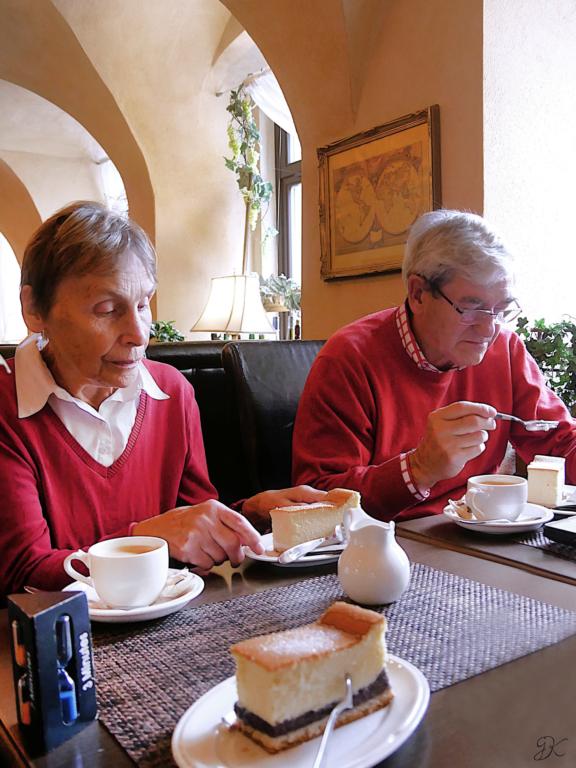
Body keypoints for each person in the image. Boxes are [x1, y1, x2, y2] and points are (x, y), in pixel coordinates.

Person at [0, 201, 325, 597]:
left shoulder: (172, 392)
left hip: (169, 624)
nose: (139, 334)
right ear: (34, 309)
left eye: (143, 305)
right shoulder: (7, 406)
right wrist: (147, 539)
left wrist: (250, 515)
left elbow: (193, 536)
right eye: (107, 309)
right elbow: (23, 574)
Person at [292, 209, 576, 520]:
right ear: (418, 294)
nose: (488, 329)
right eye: (471, 309)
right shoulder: (348, 360)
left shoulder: (505, 349)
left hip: (481, 532)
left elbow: (559, 441)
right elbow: (317, 500)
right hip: (387, 538)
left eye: (501, 310)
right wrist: (419, 469)